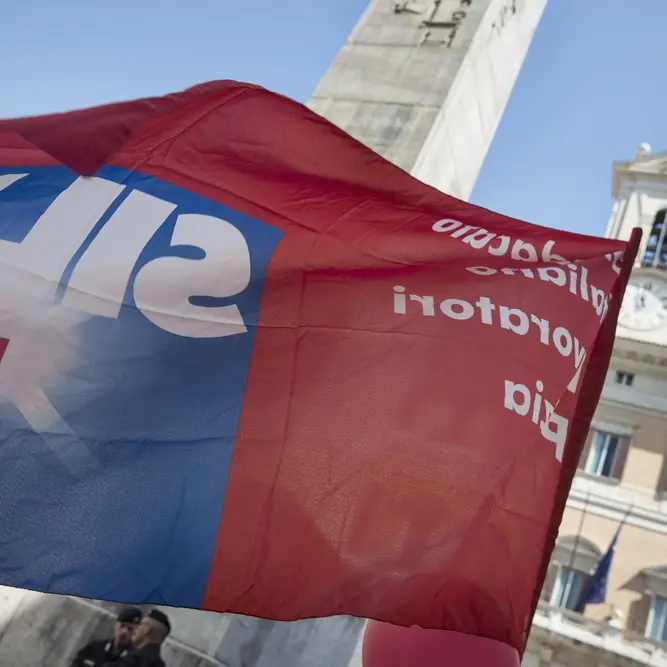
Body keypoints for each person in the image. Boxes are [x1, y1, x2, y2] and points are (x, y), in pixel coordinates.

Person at [71, 607, 143, 666]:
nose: (124, 631)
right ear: (115, 625)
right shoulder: (94, 648)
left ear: (135, 631)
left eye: (130, 628)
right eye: (122, 625)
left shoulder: (134, 660)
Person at [105, 609, 171, 667]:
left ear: (147, 629)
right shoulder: (159, 664)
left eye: (140, 624)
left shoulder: (134, 659)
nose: (135, 628)